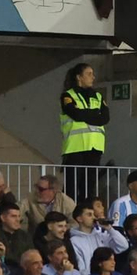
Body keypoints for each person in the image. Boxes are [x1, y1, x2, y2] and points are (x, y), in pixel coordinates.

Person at [59, 64, 108, 196]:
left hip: (94, 148)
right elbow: (75, 114)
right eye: (89, 73)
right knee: (72, 188)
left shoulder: (98, 96)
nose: (93, 77)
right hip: (75, 148)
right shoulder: (68, 95)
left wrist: (84, 114)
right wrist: (93, 113)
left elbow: (104, 118)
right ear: (79, 77)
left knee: (89, 188)